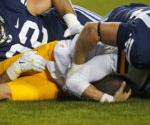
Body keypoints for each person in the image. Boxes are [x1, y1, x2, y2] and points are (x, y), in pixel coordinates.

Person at [0, 35, 131, 102]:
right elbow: (91, 31)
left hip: (55, 86)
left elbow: (74, 82)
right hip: (50, 55)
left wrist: (15, 69)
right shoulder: (122, 44)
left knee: (6, 92)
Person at [0, 0, 102, 61]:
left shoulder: (7, 3)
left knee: (115, 42)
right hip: (60, 65)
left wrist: (73, 24)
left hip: (66, 26)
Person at [70, 3, 150, 69]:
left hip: (139, 15)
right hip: (122, 18)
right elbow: (91, 30)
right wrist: (75, 68)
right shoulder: (141, 51)